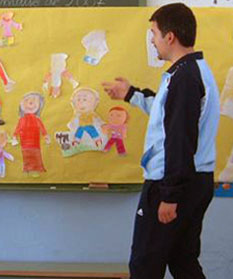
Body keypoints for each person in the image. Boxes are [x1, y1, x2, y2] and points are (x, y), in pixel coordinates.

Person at [102, 3, 219, 279]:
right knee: (183, 261)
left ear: (170, 37)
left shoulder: (186, 78)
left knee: (144, 265)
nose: (152, 41)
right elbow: (166, 113)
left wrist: (170, 195)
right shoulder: (190, 71)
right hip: (193, 180)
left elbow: (179, 139)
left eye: (154, 33)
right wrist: (131, 93)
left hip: (172, 183)